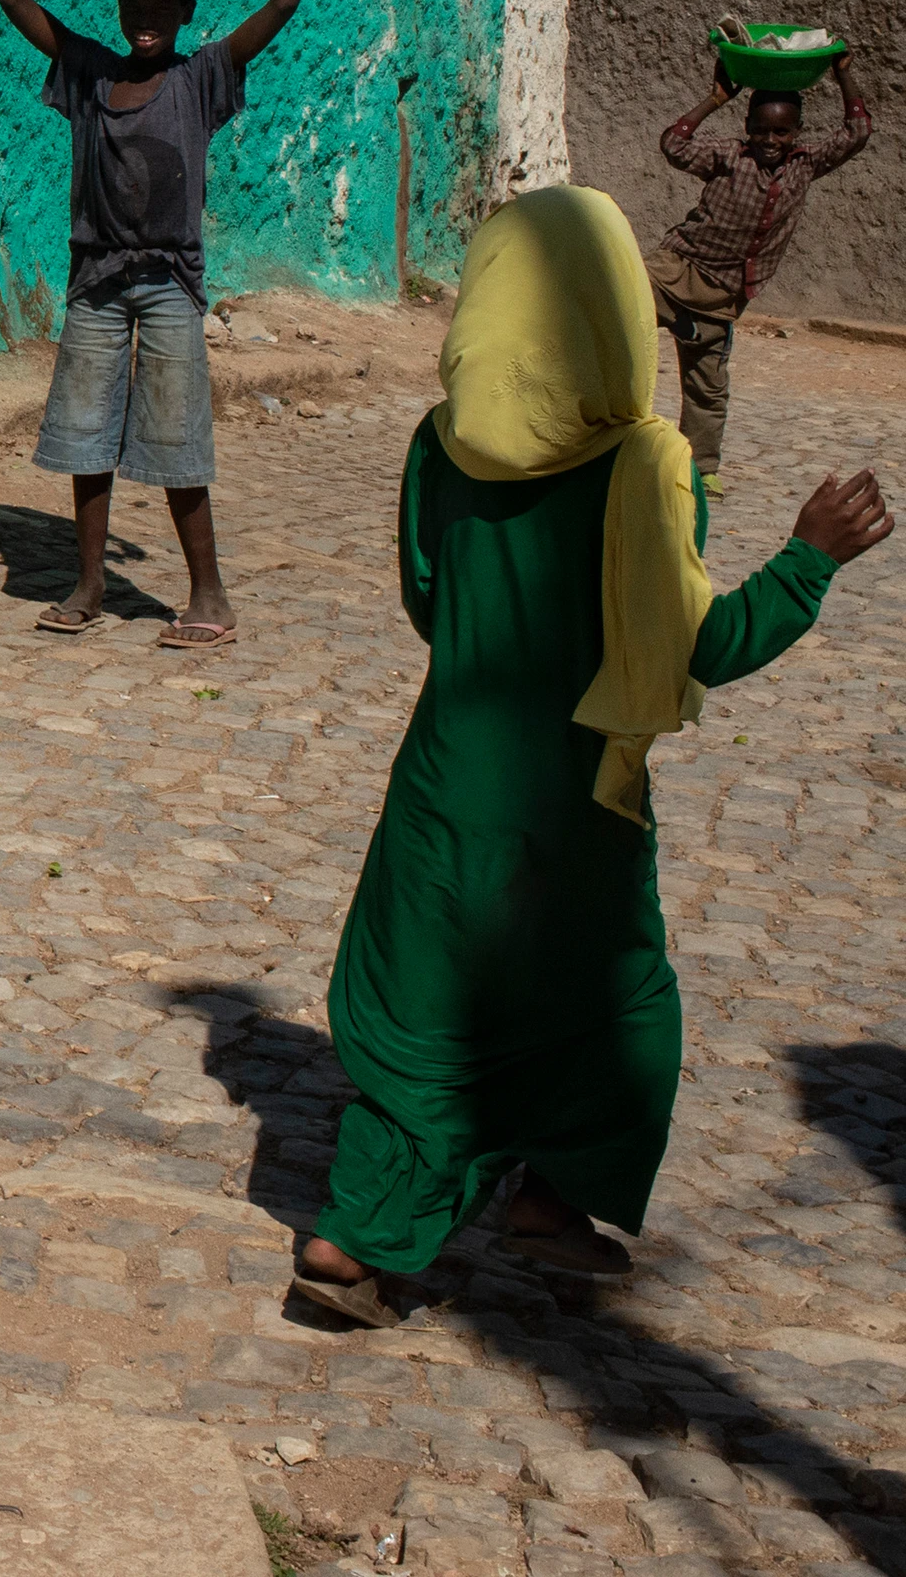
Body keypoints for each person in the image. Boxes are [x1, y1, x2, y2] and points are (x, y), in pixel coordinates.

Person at [290, 185, 885, 1326]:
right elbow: (698, 645)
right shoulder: (645, 464)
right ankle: (550, 1198)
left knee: (428, 1006)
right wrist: (808, 560)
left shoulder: (439, 444)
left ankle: (357, 1239)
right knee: (616, 1003)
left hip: (442, 784)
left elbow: (429, 599)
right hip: (575, 802)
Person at [0, 0, 303, 648]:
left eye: (163, 3)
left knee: (176, 439)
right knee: (85, 438)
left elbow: (283, 1)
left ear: (187, 8)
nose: (145, 15)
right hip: (95, 281)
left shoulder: (202, 79)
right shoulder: (91, 73)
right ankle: (91, 583)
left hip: (169, 284)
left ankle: (210, 596)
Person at [647, 55, 872, 489]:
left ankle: (700, 473)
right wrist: (714, 100)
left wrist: (843, 73)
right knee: (609, 319)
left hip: (722, 297)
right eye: (760, 130)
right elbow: (673, 144)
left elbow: (857, 131)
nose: (770, 140)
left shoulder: (806, 165)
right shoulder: (728, 155)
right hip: (672, 273)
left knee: (708, 390)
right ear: (747, 127)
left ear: (797, 133)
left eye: (781, 131)